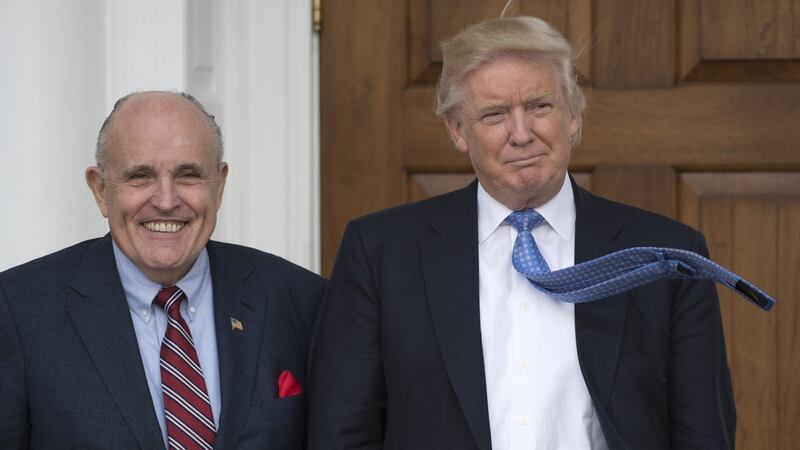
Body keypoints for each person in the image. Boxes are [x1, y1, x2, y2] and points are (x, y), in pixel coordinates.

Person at [308, 16, 735, 450]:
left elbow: (703, 433)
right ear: (458, 131)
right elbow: (342, 432)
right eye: (494, 114)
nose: (521, 134)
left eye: (539, 106)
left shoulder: (666, 255)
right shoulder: (381, 252)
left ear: (573, 116)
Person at [0, 91, 325, 449]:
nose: (167, 201)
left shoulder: (303, 301)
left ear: (219, 186)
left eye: (188, 175)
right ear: (100, 189)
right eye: (140, 177)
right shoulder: (18, 311)